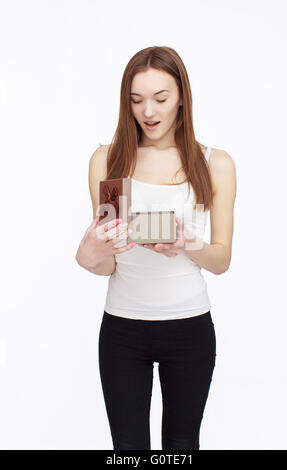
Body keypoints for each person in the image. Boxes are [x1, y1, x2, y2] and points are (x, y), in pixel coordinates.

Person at [75, 46, 237, 450]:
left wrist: (190, 244)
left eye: (160, 98)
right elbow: (105, 265)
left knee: (182, 445)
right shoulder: (106, 160)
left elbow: (221, 261)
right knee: (128, 450)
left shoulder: (215, 163)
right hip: (122, 329)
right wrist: (91, 249)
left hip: (190, 328)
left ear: (182, 96)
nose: (148, 111)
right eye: (136, 100)